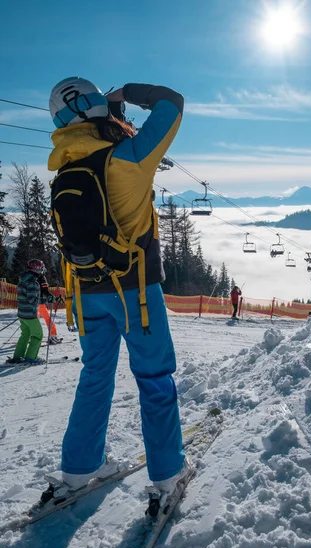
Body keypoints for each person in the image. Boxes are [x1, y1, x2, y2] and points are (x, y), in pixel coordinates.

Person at [47, 77, 188, 498]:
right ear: (99, 107)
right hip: (136, 292)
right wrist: (126, 92)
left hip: (86, 292)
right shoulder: (128, 157)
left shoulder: (64, 169)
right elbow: (172, 102)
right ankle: (167, 475)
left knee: (94, 376)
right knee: (154, 378)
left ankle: (78, 468)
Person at [9, 259, 52, 364]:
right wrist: (47, 300)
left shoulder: (23, 278)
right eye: (41, 268)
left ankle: (18, 356)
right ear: (36, 269)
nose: (42, 270)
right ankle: (31, 358)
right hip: (30, 314)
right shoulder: (32, 282)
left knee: (25, 335)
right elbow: (32, 300)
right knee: (38, 335)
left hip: (22, 313)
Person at [37, 272, 63, 345]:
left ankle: (30, 336)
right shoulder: (41, 277)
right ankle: (52, 336)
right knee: (47, 319)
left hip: (31, 303)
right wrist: (54, 298)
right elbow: (45, 291)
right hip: (39, 303)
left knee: (34, 321)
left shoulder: (28, 276)